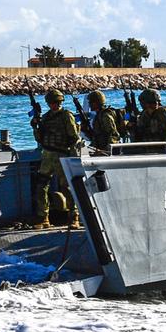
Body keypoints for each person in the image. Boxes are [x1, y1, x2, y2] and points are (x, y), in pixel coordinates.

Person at [30, 88, 81, 229]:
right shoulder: (45, 118)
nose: (56, 105)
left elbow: (74, 136)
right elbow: (39, 138)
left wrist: (67, 150)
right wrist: (35, 125)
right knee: (41, 186)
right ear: (49, 103)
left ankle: (74, 217)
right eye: (53, 103)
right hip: (47, 155)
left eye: (58, 102)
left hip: (61, 155)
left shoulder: (66, 116)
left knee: (66, 187)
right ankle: (43, 217)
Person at [86, 89, 122, 153]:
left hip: (107, 150)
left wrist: (107, 149)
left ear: (96, 103)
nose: (89, 104)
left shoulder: (105, 116)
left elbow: (113, 134)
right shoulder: (98, 115)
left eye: (91, 102)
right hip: (100, 148)